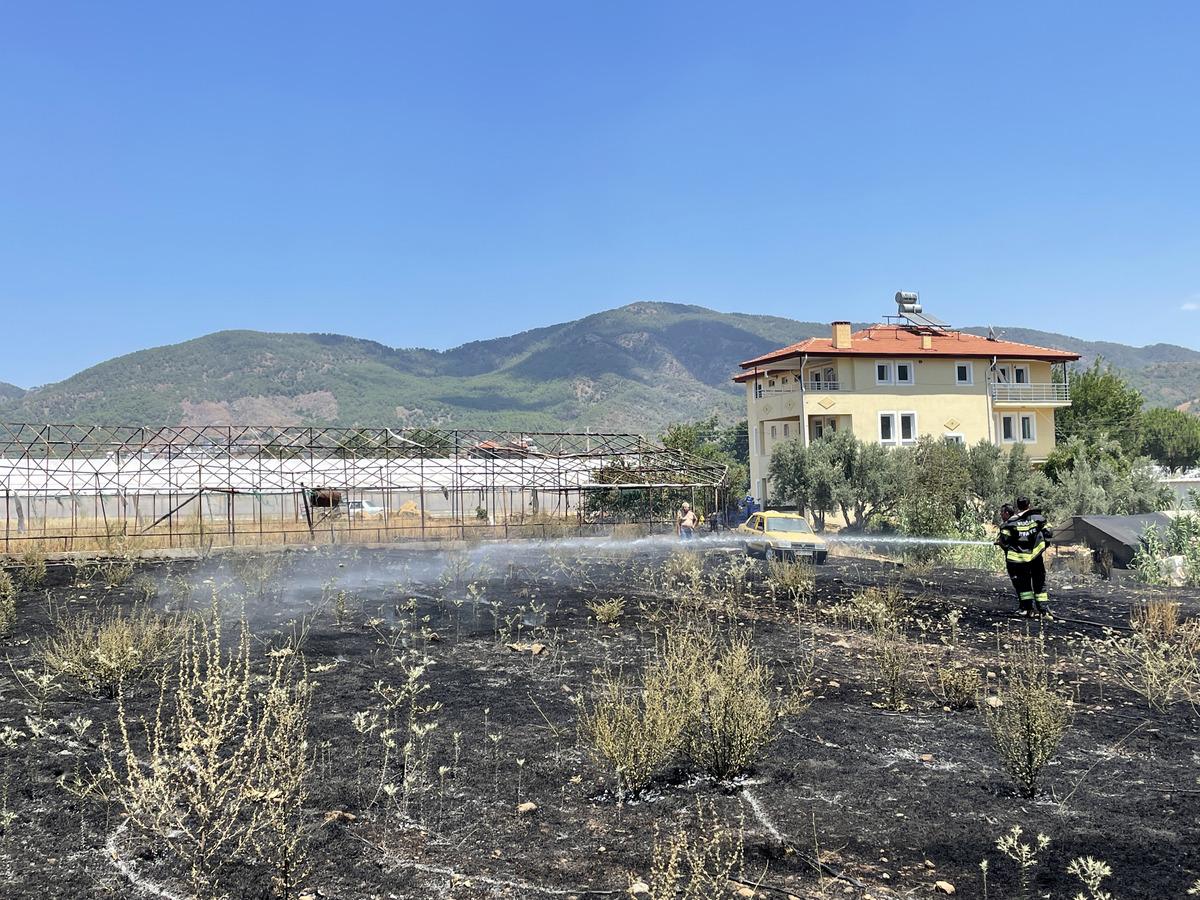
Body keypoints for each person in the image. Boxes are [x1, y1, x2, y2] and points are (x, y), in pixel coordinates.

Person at [998, 497, 1054, 618]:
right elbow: (1049, 532)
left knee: (1024, 584)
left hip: (1020, 560)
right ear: (1029, 505)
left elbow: (1004, 540)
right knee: (1039, 582)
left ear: (1017, 506)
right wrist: (1043, 545)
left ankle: (1028, 609)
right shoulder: (1039, 519)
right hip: (1036, 557)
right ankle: (1043, 610)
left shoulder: (1011, 523)